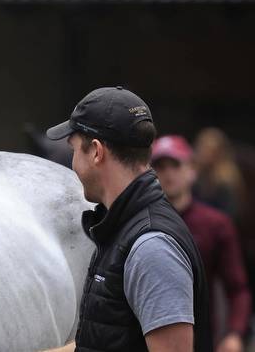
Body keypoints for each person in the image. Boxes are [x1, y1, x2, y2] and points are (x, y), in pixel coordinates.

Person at [43, 86, 212, 352]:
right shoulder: (121, 228)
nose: (72, 162)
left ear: (96, 152)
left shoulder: (151, 248)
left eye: (74, 149)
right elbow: (103, 342)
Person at [152, 135, 251, 352]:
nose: (168, 173)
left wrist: (234, 334)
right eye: (160, 166)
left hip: (204, 338)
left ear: (192, 170)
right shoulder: (141, 224)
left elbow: (237, 288)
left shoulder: (215, 224)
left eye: (175, 165)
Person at [193, 127, 246, 220]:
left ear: (219, 153)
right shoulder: (193, 175)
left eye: (209, 150)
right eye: (202, 148)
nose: (204, 153)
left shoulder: (227, 180)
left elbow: (230, 214)